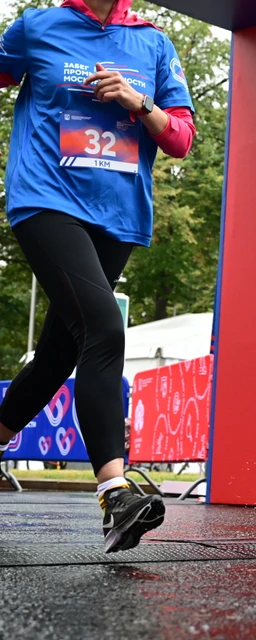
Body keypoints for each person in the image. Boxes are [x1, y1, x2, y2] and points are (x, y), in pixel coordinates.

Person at [0, 0, 195, 553]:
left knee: (60, 354)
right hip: (46, 200)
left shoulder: (152, 43)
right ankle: (114, 492)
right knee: (106, 331)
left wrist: (139, 103)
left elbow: (180, 140)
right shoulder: (38, 26)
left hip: (118, 216)